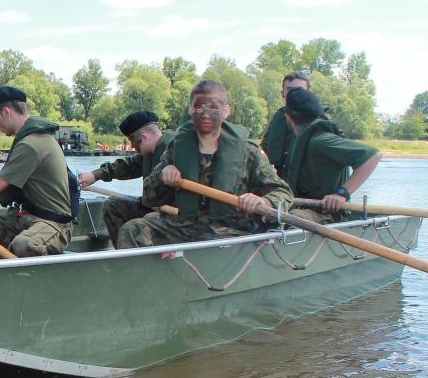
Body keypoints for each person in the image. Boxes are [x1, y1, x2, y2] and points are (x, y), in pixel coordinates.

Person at [118, 80, 292, 249]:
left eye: (213, 108)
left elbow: (283, 193)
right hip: (184, 227)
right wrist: (162, 175)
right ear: (190, 109)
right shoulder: (177, 149)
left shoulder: (249, 151)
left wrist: (263, 200)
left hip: (230, 233)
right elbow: (149, 198)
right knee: (133, 229)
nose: (205, 114)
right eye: (199, 107)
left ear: (225, 111)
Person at [0, 86, 75, 259]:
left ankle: (15, 272)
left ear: (6, 112)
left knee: (24, 245)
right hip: (24, 217)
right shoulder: (28, 139)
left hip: (53, 224)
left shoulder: (31, 144)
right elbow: (6, 190)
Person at [280, 86, 381, 222]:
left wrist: (341, 194)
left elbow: (373, 156)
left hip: (328, 214)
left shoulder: (320, 141)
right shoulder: (300, 140)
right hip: (306, 209)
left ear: (288, 117)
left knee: (293, 218)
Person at [77, 110, 176, 244]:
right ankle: (125, 252)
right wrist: (95, 175)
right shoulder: (149, 152)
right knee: (113, 206)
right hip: (151, 208)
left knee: (134, 227)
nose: (133, 147)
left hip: (174, 215)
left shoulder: (177, 148)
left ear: (144, 137)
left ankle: (145, 254)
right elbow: (129, 165)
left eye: (132, 141)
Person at [259, 71, 310, 178]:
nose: (294, 94)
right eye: (290, 90)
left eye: (299, 90)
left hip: (304, 181)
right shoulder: (278, 117)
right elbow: (262, 150)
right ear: (282, 93)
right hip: (276, 180)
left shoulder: (318, 121)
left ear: (308, 93)